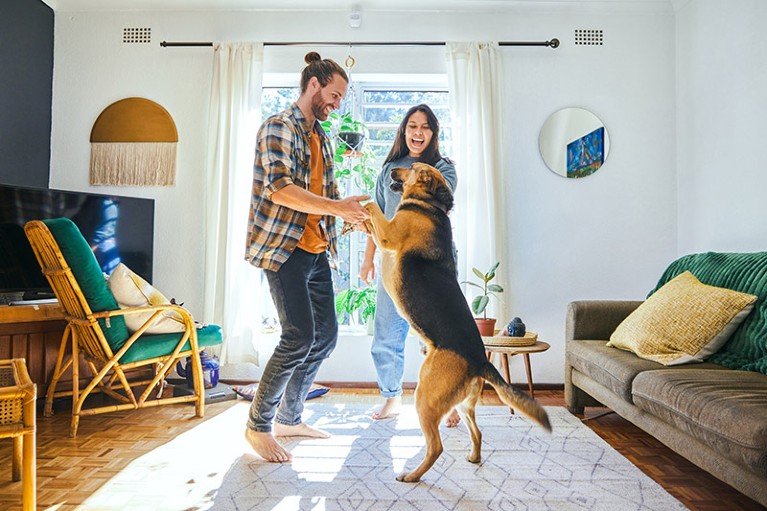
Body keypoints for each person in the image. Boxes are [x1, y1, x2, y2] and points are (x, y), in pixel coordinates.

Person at [244, 52, 370, 463]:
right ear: (313, 85)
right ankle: (258, 425)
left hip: (316, 250)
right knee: (297, 334)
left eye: (341, 99)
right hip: (283, 249)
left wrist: (355, 217)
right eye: (333, 95)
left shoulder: (324, 139)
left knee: (326, 336)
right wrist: (337, 208)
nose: (336, 105)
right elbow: (280, 189)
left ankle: (289, 417)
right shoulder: (278, 127)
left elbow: (327, 199)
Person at [359, 104, 460, 425]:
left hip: (430, 265)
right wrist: (367, 258)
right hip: (393, 266)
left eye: (425, 127)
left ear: (434, 133)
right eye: (412, 126)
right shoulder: (390, 168)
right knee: (386, 334)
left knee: (436, 336)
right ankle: (391, 397)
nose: (418, 133)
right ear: (404, 131)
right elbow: (376, 218)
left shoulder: (443, 169)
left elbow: (433, 208)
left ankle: (447, 398)